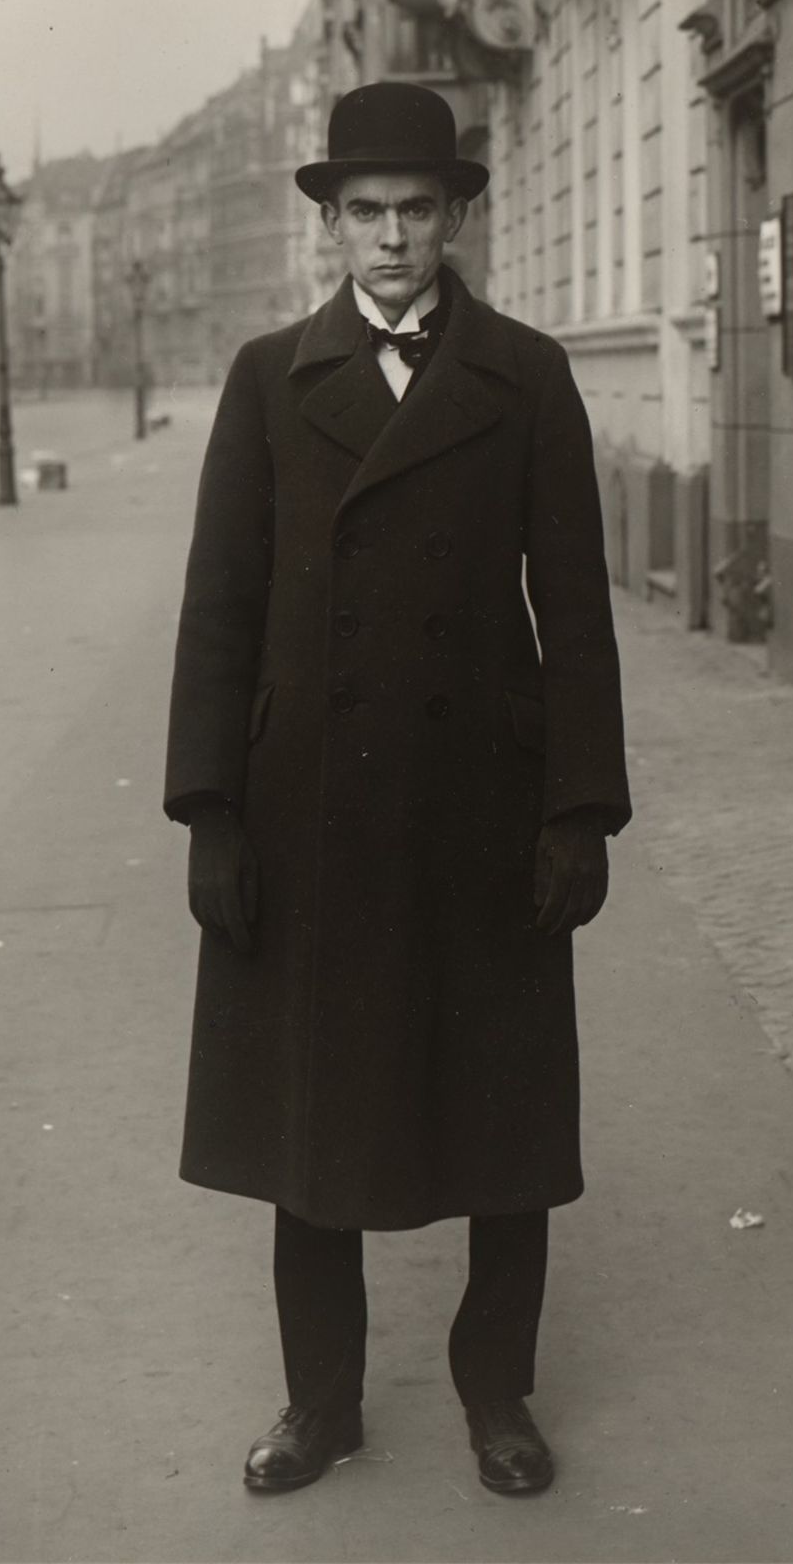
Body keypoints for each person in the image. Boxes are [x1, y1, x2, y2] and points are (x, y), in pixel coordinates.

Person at [164, 81, 631, 1497]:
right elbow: (218, 605)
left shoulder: (526, 372)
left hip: (474, 804)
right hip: (310, 802)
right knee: (311, 1115)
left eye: (415, 210)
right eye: (363, 212)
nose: (389, 238)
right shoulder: (266, 377)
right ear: (328, 222)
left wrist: (575, 808)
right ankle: (324, 1405)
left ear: (454, 217)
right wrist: (209, 811)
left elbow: (577, 606)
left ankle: (498, 1393)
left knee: (502, 1117)